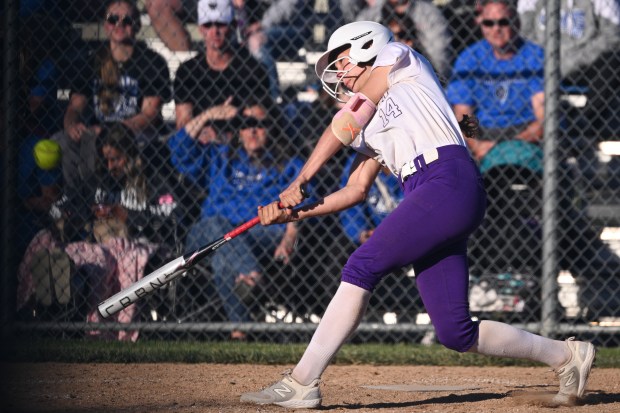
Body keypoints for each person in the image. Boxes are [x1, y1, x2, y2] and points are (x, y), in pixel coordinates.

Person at [240, 21, 595, 409]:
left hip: (446, 180)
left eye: (342, 61)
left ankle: (302, 381)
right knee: (455, 332)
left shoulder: (398, 57)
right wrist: (295, 213)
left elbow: (348, 119)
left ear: (366, 47)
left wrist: (301, 178)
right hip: (433, 193)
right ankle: (565, 356)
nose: (338, 72)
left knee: (361, 266)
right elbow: (356, 191)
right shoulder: (369, 117)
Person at [17, 123, 178, 340]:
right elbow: (71, 205)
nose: (110, 166)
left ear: (131, 155)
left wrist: (127, 214)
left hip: (132, 244)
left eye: (117, 159)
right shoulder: (99, 181)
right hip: (94, 243)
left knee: (104, 259)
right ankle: (55, 282)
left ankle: (67, 288)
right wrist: (77, 214)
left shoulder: (153, 179)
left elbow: (172, 214)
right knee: (68, 250)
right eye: (107, 159)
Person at [167, 98, 305, 338]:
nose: (252, 130)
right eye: (245, 123)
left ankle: (240, 331)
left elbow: (301, 204)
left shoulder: (287, 165)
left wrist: (290, 237)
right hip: (207, 235)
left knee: (223, 257)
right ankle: (250, 273)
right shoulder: (220, 158)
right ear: (237, 129)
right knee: (216, 226)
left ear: (272, 128)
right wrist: (208, 114)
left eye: (259, 124)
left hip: (259, 234)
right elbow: (178, 151)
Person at [58, 0, 172, 192]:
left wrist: (111, 131)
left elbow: (149, 115)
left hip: (137, 134)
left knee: (108, 142)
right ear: (105, 25)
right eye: (113, 19)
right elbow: (75, 106)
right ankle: (77, 199)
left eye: (127, 20)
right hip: (97, 133)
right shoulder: (91, 60)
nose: (119, 25)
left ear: (136, 25)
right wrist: (71, 126)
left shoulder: (152, 62)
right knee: (61, 141)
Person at [446, 0, 545, 164]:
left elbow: (543, 118)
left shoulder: (534, 56)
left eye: (503, 22)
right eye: (489, 23)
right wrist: (478, 145)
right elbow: (463, 114)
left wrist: (505, 147)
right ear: (481, 25)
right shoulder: (469, 59)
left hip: (525, 133)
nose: (496, 29)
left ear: (516, 23)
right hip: (484, 133)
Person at [518, 0, 620, 134]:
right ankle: (526, 120)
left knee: (612, 62)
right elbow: (524, 33)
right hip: (541, 62)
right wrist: (545, 58)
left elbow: (612, 36)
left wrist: (575, 59)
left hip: (586, 64)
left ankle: (583, 120)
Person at [173, 0, 270, 131]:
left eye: (221, 24)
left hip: (236, 147)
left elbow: (258, 122)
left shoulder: (252, 70)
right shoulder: (187, 71)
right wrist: (211, 114)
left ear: (233, 26)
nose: (215, 31)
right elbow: (182, 127)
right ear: (200, 29)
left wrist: (216, 129)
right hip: (198, 145)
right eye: (208, 25)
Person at [354, 0, 453, 79]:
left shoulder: (428, 13)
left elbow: (440, 55)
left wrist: (435, 76)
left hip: (422, 70)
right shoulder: (372, 14)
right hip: (379, 72)